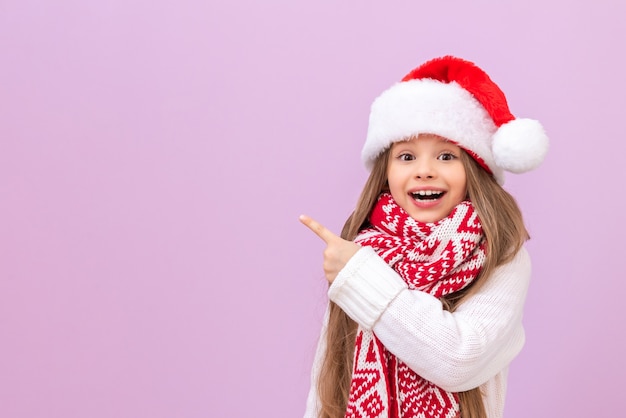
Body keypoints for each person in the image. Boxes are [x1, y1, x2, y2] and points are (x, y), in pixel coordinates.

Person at [299, 56, 549, 418]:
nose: (425, 171)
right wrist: (357, 270)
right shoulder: (363, 247)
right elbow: (328, 376)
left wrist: (361, 279)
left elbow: (458, 360)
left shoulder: (500, 254)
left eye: (446, 155)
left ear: (475, 169)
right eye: (406, 156)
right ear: (385, 171)